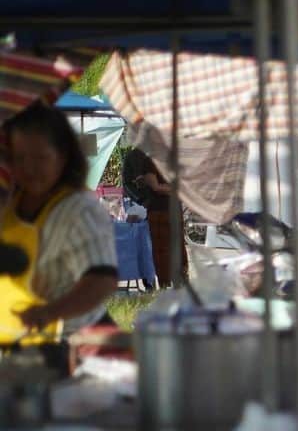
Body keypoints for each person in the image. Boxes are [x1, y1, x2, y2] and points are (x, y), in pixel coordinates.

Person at [0, 102, 117, 343]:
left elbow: (102, 280)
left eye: (41, 158)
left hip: (76, 340)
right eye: (20, 158)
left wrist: (48, 313)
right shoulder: (9, 202)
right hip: (18, 340)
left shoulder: (80, 210)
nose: (29, 169)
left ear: (63, 157)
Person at [121, 146, 187, 287]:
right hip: (158, 209)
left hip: (165, 209)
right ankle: (166, 284)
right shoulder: (144, 158)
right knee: (163, 248)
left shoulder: (167, 158)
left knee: (169, 248)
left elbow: (155, 185)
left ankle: (174, 284)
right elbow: (152, 186)